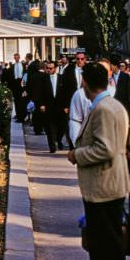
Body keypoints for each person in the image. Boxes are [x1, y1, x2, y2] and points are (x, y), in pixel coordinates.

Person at [67, 62, 130, 260]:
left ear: (84, 82)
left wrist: (77, 155)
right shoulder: (113, 105)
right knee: (108, 242)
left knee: (104, 245)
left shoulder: (103, 109)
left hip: (103, 186)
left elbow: (106, 149)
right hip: (110, 184)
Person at [2, 53, 26, 123]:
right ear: (14, 58)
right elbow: (8, 75)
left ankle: (22, 116)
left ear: (19, 57)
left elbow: (25, 75)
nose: (16, 59)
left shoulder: (23, 65)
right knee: (16, 100)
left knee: (21, 101)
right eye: (15, 57)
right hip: (15, 85)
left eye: (17, 57)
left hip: (22, 84)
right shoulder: (12, 66)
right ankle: (18, 115)